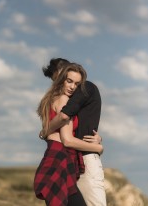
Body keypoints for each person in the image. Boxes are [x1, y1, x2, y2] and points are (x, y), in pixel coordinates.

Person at [34, 63, 103, 206]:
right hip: (60, 157)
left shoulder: (50, 99)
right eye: (69, 81)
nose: (72, 87)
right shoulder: (64, 99)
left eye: (77, 84)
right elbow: (67, 140)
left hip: (55, 155)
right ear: (62, 80)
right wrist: (99, 148)